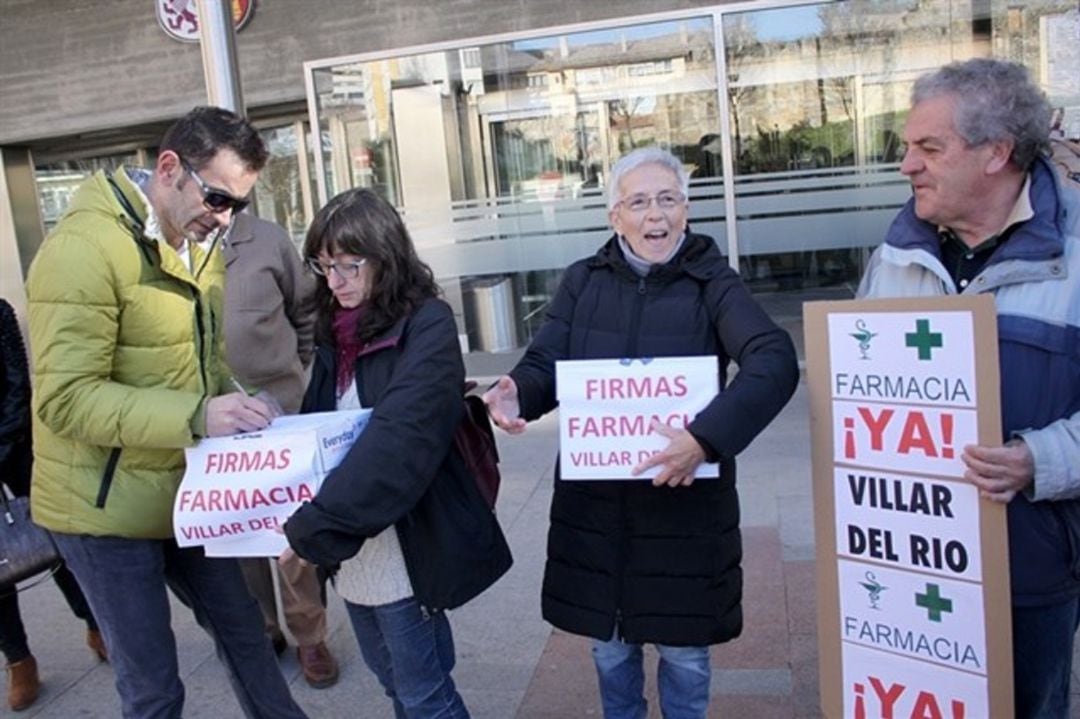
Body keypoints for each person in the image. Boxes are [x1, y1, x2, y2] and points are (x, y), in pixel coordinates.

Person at [483, 146, 800, 718]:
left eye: (668, 199)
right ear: (615, 217)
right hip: (598, 516)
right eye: (638, 202)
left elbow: (772, 359)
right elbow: (546, 364)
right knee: (610, 651)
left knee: (685, 658)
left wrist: (705, 439)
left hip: (683, 516)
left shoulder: (713, 282)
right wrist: (516, 391)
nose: (655, 215)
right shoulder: (582, 281)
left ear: (686, 209)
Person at [25, 106, 308, 719]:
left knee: (248, 639)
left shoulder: (193, 238)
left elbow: (191, 364)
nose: (225, 218)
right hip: (99, 509)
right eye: (217, 197)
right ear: (170, 168)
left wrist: (239, 397)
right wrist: (201, 415)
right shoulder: (80, 250)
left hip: (182, 488)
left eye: (237, 204)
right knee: (154, 686)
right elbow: (65, 399)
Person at [857, 58, 1080, 719]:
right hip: (911, 565)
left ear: (997, 153)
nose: (906, 165)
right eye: (907, 146)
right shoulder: (895, 255)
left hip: (1032, 566)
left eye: (929, 147)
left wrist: (1039, 459)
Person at [284, 187, 513, 719]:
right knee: (394, 685)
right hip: (355, 545)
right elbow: (323, 428)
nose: (335, 282)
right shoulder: (334, 331)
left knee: (425, 696)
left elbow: (398, 439)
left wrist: (315, 524)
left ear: (385, 257)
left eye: (347, 266)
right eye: (323, 267)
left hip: (409, 546)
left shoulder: (426, 324)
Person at [221, 212, 339, 688]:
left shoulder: (267, 239)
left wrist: (297, 369)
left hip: (279, 407)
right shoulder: (175, 242)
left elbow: (306, 309)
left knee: (292, 529)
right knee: (240, 530)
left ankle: (310, 634)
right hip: (214, 414)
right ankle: (264, 627)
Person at [0, 298, 106, 712]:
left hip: (16, 443)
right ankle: (19, 661)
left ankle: (97, 627)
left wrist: (4, 444)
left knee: (57, 541)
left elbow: (16, 385)